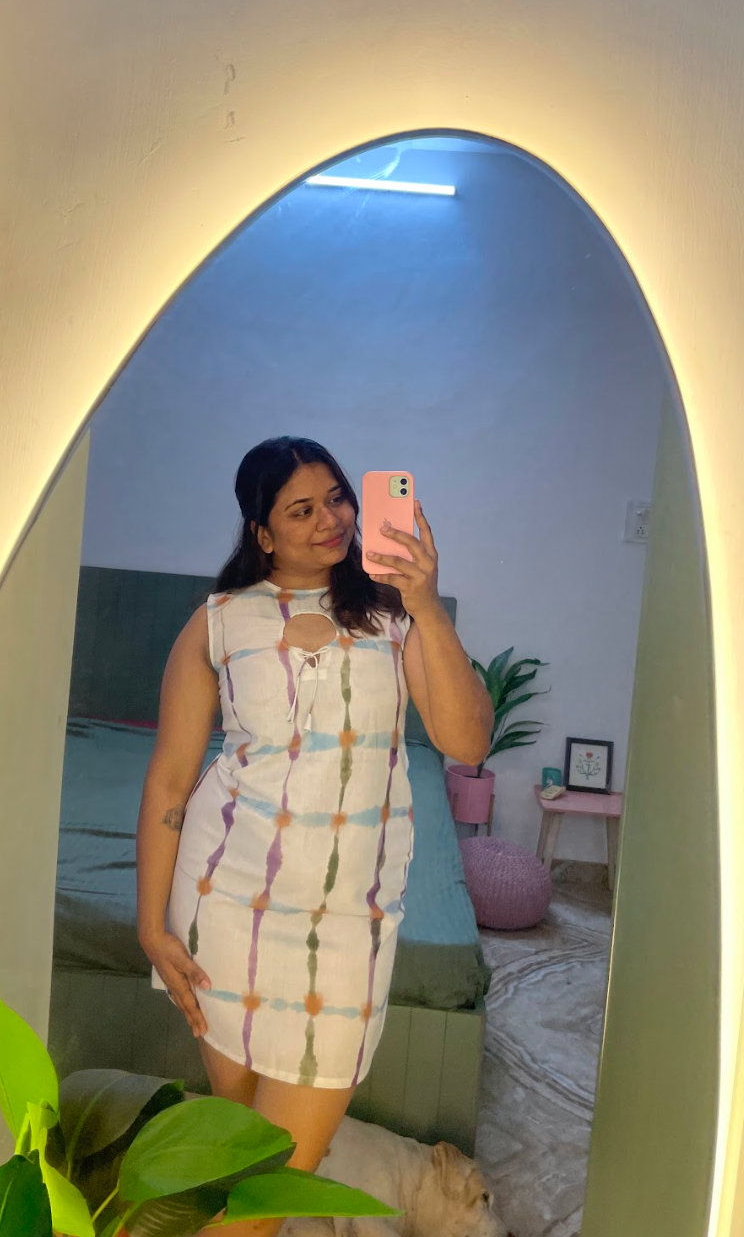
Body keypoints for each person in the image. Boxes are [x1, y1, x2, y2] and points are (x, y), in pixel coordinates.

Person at [136, 437, 492, 1237]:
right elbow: (169, 782)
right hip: (225, 910)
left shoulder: (395, 616)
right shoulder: (219, 623)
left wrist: (428, 604)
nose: (330, 519)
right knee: (246, 1165)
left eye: (337, 498)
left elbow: (467, 740)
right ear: (262, 533)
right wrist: (151, 924)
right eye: (301, 510)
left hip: (347, 929)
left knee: (267, 1194)